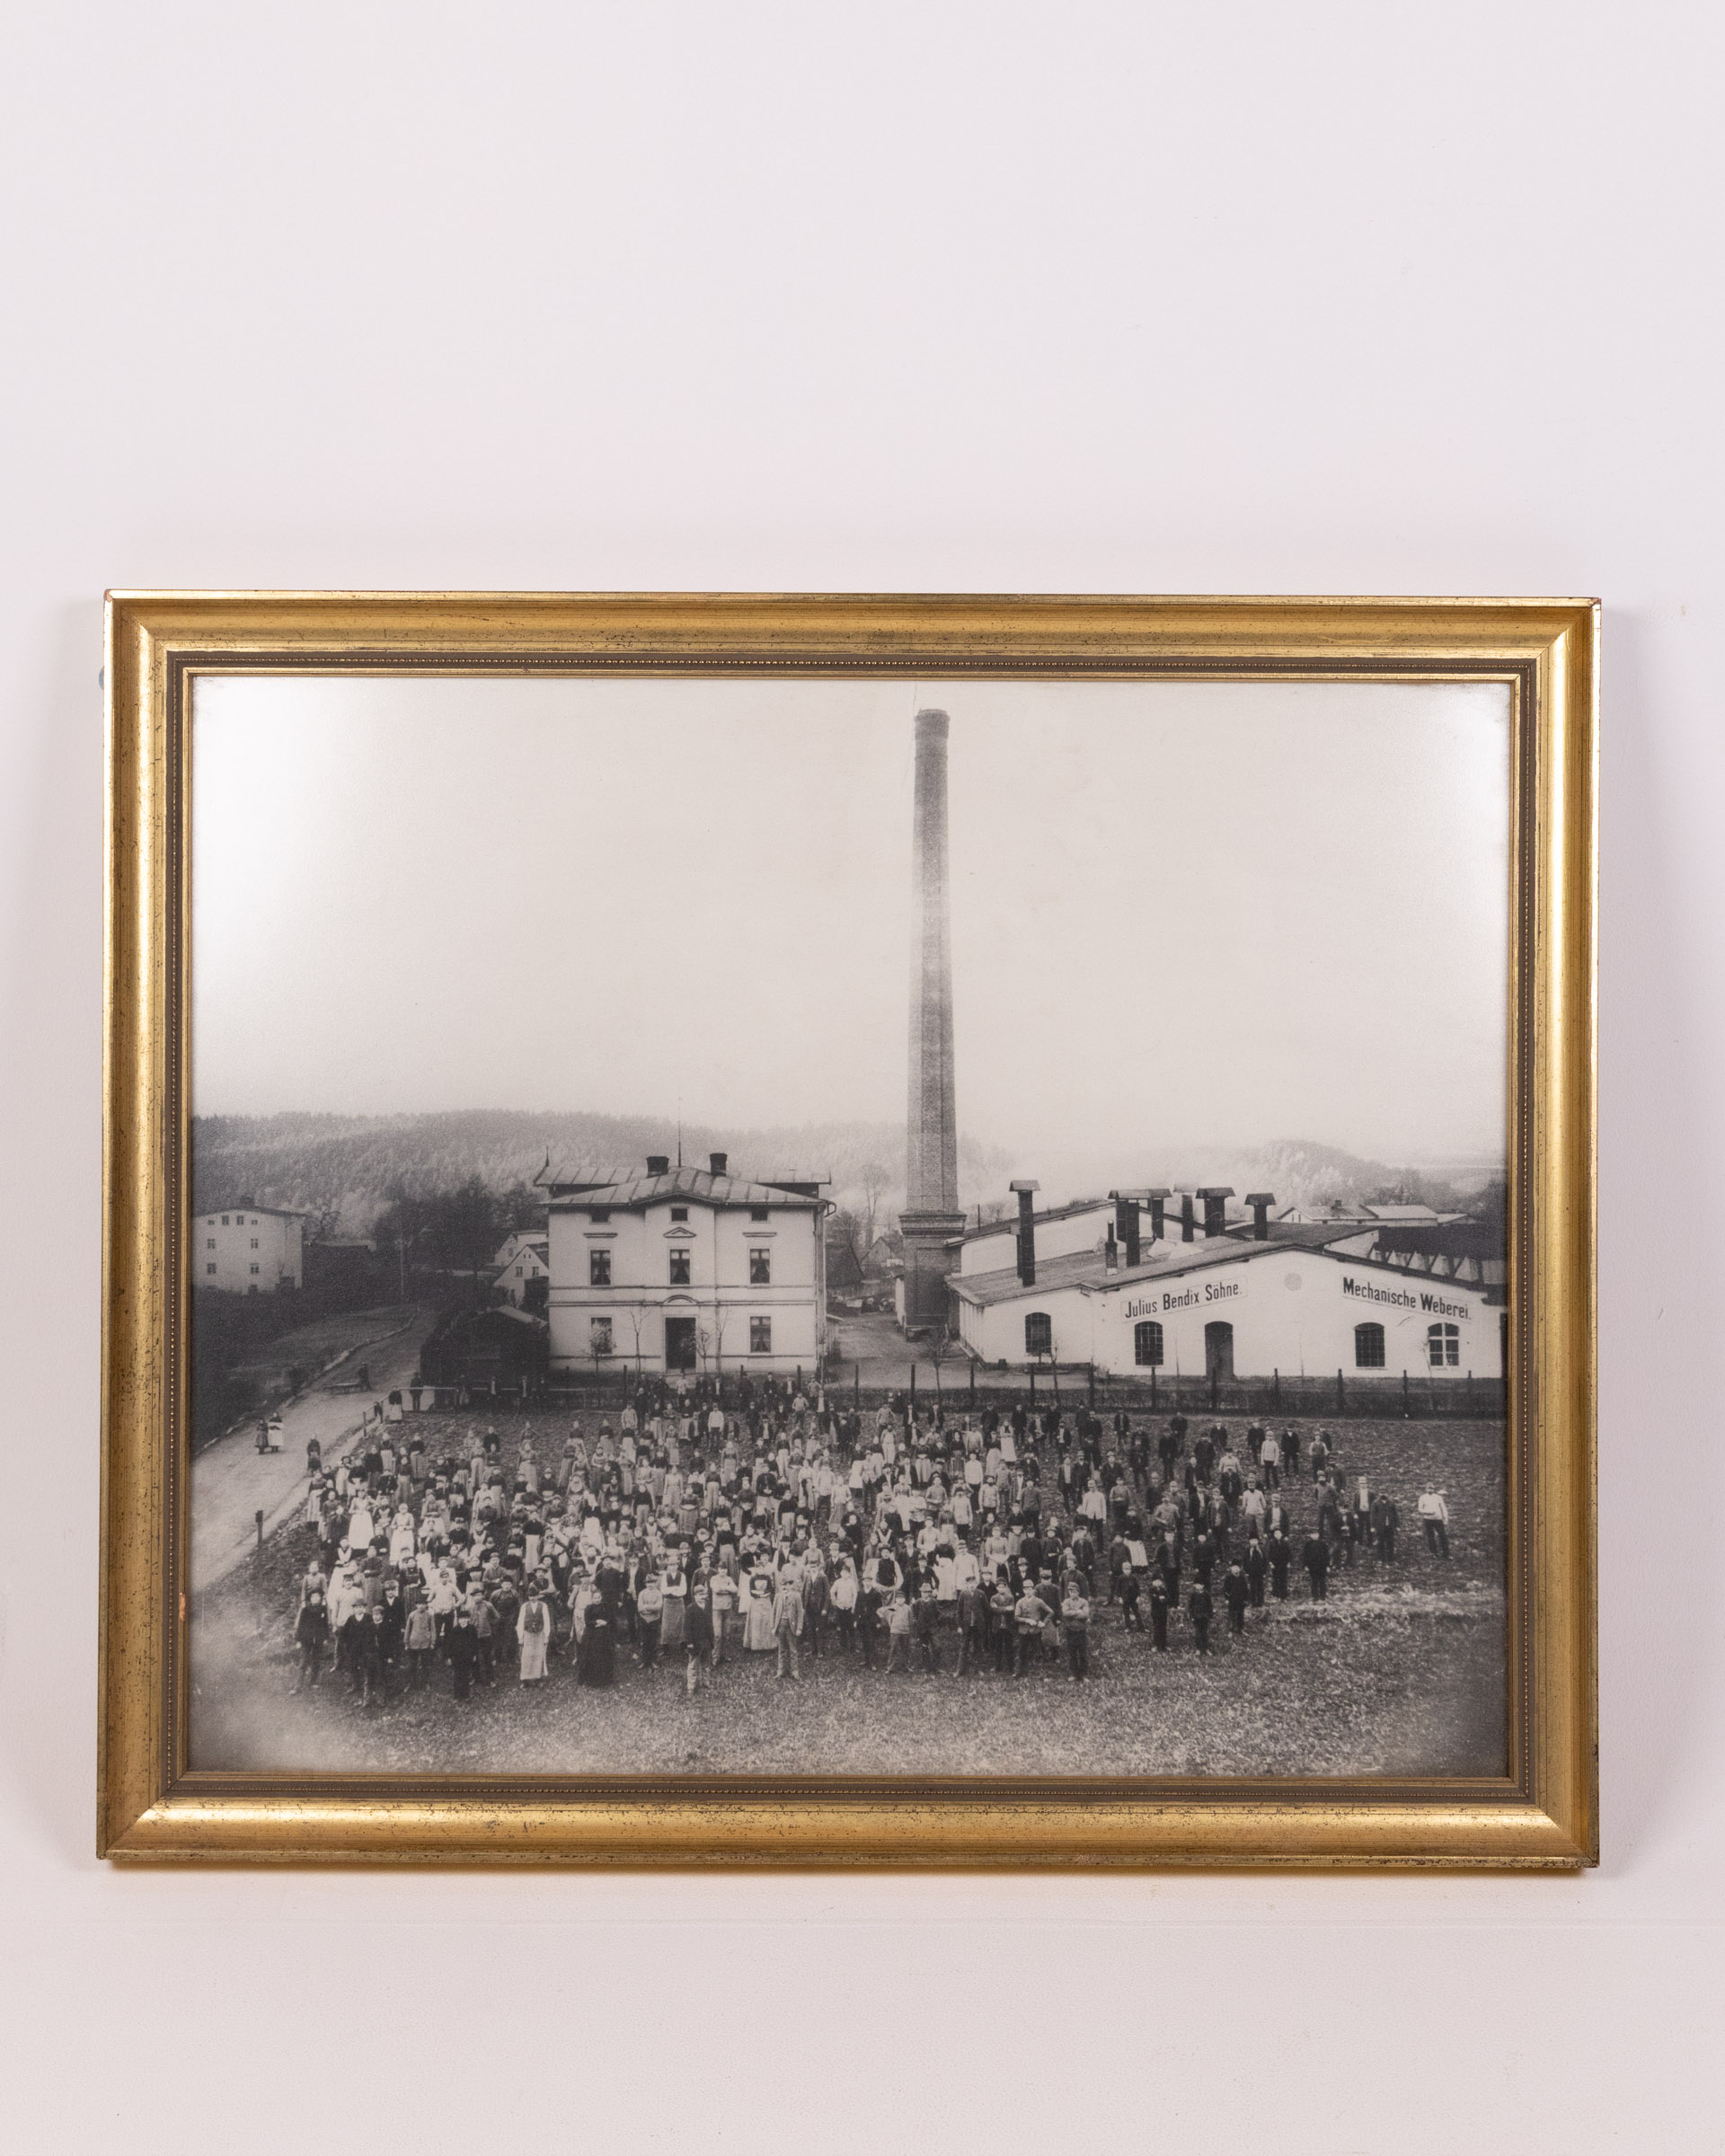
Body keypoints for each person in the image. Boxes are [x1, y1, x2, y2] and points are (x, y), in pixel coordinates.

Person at [1013, 1580, 1052, 1677]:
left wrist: (1043, 1622)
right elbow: (1016, 1617)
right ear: (1023, 1590)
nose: (1028, 1591)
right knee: (1021, 1652)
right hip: (1023, 1631)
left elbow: (1050, 1612)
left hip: (1035, 1631)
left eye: (1030, 1589)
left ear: (1033, 1590)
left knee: (1038, 1652)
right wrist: (1027, 1620)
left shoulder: (1039, 1601)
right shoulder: (1020, 1602)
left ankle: (1041, 1673)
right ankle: (1019, 1672)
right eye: (1026, 1589)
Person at [293, 1590, 329, 1692]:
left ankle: (313, 1682)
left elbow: (325, 1625)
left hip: (318, 1640)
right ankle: (297, 1686)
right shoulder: (305, 1609)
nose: (315, 1598)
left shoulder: (323, 1609)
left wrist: (325, 1638)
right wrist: (298, 1640)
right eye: (313, 1597)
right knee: (303, 1662)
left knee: (316, 1661)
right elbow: (300, 1625)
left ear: (320, 1598)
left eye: (317, 1596)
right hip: (306, 1640)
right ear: (310, 1599)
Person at [517, 1584, 552, 1683]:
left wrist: (546, 1635)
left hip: (539, 1634)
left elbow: (547, 1621)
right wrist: (520, 1637)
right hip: (528, 1634)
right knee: (527, 1656)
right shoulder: (524, 1606)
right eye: (530, 1596)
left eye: (534, 1596)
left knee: (539, 1655)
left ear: (538, 1596)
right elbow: (520, 1622)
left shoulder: (543, 1606)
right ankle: (525, 1679)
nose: (532, 1598)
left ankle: (538, 1677)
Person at [773, 1571, 803, 1681]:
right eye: (782, 1585)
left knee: (792, 1649)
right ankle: (781, 1671)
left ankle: (794, 1671)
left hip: (791, 1627)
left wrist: (799, 1628)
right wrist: (773, 1627)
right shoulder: (778, 1596)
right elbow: (774, 1612)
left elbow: (800, 1613)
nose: (784, 1587)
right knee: (781, 1649)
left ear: (790, 1585)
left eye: (786, 1584)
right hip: (780, 1625)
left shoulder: (796, 1596)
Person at [686, 1582, 715, 1694]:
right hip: (695, 1642)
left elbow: (710, 1625)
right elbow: (687, 1628)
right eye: (700, 1595)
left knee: (706, 1664)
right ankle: (691, 1686)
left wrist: (711, 1640)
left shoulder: (707, 1607)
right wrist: (689, 1643)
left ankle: (706, 1683)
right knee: (693, 1664)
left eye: (704, 1594)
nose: (703, 1597)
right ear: (695, 1596)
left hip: (706, 1641)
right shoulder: (691, 1609)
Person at [1060, 1583, 1091, 1680]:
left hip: (1081, 1630)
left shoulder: (1084, 1602)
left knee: (1083, 1653)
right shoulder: (1066, 1601)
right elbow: (1065, 1614)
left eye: (1074, 1591)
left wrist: (1072, 1614)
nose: (1072, 1593)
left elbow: (1085, 1615)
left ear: (1078, 1592)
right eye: (1070, 1591)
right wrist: (1078, 1611)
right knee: (1072, 1653)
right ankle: (1074, 1674)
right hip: (1071, 1630)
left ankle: (1084, 1674)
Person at [447, 1607, 479, 1699]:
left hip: (467, 1656)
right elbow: (450, 1645)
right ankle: (457, 1695)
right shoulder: (454, 1630)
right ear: (458, 1620)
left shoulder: (472, 1629)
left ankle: (466, 1695)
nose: (463, 1621)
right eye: (461, 1619)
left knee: (465, 1676)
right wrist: (449, 1657)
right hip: (456, 1657)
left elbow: (475, 1643)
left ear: (468, 1619)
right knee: (457, 1676)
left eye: (465, 1618)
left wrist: (474, 1655)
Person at [402, 1598, 435, 1687]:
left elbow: (433, 1629)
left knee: (425, 1665)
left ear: (426, 1605)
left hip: (425, 1644)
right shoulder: (412, 1615)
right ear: (416, 1605)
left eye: (423, 1604)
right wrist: (406, 1643)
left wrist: (432, 1642)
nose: (421, 1606)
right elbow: (407, 1629)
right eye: (419, 1604)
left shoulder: (429, 1615)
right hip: (413, 1643)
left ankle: (426, 1682)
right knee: (412, 1665)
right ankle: (411, 1683)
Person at [912, 1580, 942, 1674]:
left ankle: (936, 1666)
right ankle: (926, 1666)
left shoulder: (933, 1602)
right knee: (924, 1647)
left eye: (927, 1592)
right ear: (921, 1592)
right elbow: (915, 1614)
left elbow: (937, 1613)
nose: (925, 1594)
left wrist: (934, 1622)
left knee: (937, 1646)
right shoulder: (918, 1602)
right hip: (922, 1629)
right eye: (924, 1592)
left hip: (932, 1628)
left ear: (930, 1593)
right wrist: (919, 1624)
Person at [637, 1571, 664, 1669]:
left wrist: (647, 1607)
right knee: (644, 1641)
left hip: (654, 1620)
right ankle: (645, 1661)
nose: (650, 1585)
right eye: (648, 1583)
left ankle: (653, 1661)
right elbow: (640, 1608)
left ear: (655, 1583)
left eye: (652, 1582)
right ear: (645, 1584)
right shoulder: (642, 1593)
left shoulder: (658, 1593)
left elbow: (659, 1607)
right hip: (644, 1620)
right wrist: (650, 1608)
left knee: (653, 1641)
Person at [1418, 1485, 1450, 1558]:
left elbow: (1443, 1508)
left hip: (1438, 1519)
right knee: (1430, 1536)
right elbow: (1420, 1509)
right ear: (1426, 1489)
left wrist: (1445, 1519)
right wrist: (1428, 1512)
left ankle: (1446, 1553)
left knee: (1442, 1535)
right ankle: (1434, 1553)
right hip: (1428, 1519)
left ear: (1434, 1489)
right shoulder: (1422, 1497)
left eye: (1432, 1488)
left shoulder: (1438, 1497)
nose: (1430, 1490)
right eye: (1429, 1488)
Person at [1223, 1562, 1249, 1636]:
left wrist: (1246, 1599)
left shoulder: (1242, 1578)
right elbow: (1225, 1590)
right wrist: (1227, 1599)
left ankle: (1240, 1629)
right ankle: (1231, 1630)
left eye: (1237, 1567)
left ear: (1240, 1569)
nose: (1236, 1569)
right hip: (1232, 1600)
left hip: (1241, 1599)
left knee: (1240, 1614)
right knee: (1232, 1615)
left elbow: (1246, 1590)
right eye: (1234, 1567)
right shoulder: (1228, 1578)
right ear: (1231, 1569)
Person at [1303, 1530, 1330, 1601]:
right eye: (1313, 1534)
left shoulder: (1322, 1543)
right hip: (1312, 1566)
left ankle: (1323, 1596)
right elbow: (1305, 1555)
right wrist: (1305, 1565)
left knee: (1322, 1581)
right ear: (1310, 1535)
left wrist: (1327, 1566)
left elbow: (1327, 1555)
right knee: (1314, 1581)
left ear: (1318, 1535)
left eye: (1316, 1534)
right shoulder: (1308, 1544)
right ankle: (1315, 1597)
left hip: (1322, 1566)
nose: (1315, 1536)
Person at [1188, 1577, 1213, 1652]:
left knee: (1204, 1633)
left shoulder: (1206, 1594)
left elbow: (1210, 1605)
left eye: (1200, 1585)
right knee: (1198, 1633)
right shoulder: (1193, 1595)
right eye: (1196, 1585)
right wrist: (1192, 1616)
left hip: (1205, 1616)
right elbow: (1190, 1606)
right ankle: (1198, 1649)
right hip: (1196, 1617)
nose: (1198, 1586)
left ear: (1203, 1586)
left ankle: (1206, 1648)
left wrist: (1210, 1615)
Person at [1147, 1569, 1170, 1651]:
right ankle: (1156, 1645)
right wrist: (1160, 1598)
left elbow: (1168, 1598)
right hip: (1155, 1612)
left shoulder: (1163, 1589)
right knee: (1157, 1628)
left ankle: (1164, 1645)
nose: (1157, 1583)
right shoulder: (1152, 1590)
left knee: (1163, 1628)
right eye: (1155, 1581)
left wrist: (1163, 1599)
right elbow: (1153, 1598)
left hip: (1163, 1612)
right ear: (1153, 1582)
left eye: (1159, 1581)